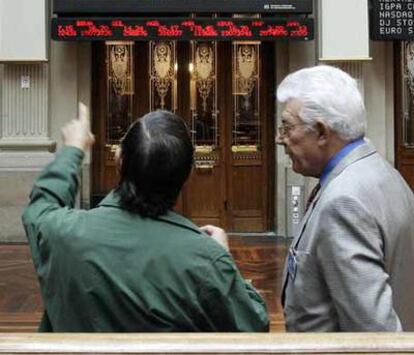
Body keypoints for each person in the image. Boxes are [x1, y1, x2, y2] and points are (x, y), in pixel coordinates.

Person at [22, 105, 269, 333]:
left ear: (119, 161)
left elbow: (40, 207)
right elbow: (254, 324)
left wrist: (73, 150)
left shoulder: (65, 235)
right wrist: (223, 258)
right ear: (187, 176)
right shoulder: (206, 260)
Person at [277, 65, 414, 332]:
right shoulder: (384, 172)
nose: (280, 139)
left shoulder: (344, 202)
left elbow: (374, 336)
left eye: (287, 127)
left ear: (321, 132)